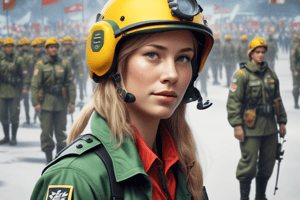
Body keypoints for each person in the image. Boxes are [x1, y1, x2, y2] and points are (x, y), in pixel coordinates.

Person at [31, 0, 214, 199]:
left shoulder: (185, 169)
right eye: (152, 54)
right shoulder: (75, 178)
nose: (172, 74)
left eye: (183, 58)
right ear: (112, 64)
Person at [226, 37, 287, 200]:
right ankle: (244, 198)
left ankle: (261, 196)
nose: (260, 55)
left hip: (270, 127)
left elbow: (277, 99)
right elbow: (233, 102)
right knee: (249, 165)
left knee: (267, 164)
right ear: (250, 53)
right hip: (250, 126)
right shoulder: (241, 75)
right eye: (257, 52)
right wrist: (237, 125)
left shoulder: (271, 74)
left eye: (263, 52)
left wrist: (282, 121)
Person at [31, 37, 76, 163]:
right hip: (46, 103)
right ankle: (49, 158)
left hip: (61, 103)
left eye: (55, 47)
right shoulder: (40, 65)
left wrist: (71, 101)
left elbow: (70, 84)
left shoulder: (64, 64)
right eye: (51, 47)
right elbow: (35, 85)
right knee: (46, 133)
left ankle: (59, 159)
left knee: (61, 133)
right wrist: (35, 103)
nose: (54, 49)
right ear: (46, 49)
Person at [0, 38, 30, 145]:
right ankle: (6, 136)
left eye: (10, 46)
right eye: (6, 46)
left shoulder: (18, 59)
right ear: (4, 48)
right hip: (2, 92)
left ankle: (13, 137)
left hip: (14, 92)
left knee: (14, 115)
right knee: (3, 115)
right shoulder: (1, 59)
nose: (8, 48)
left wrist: (25, 86)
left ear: (13, 47)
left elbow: (25, 75)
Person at [59, 36, 84, 101]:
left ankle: (74, 99)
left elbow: (78, 63)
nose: (67, 46)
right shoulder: (60, 52)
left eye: (68, 44)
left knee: (72, 87)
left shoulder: (75, 52)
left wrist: (80, 73)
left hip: (73, 72)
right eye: (65, 44)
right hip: (62, 72)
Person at [291, 35, 300, 109]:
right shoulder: (296, 47)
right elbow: (293, 59)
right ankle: (296, 103)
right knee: (296, 87)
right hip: (298, 70)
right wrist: (294, 70)